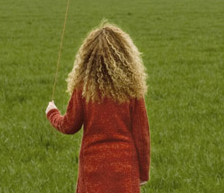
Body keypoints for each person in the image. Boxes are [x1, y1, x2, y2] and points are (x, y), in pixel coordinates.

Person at [46, 21, 151, 192]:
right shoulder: (132, 90)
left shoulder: (84, 87)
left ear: (88, 57)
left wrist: (52, 113)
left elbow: (69, 125)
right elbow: (142, 136)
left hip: (92, 168)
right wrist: (143, 174)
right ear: (125, 56)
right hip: (124, 168)